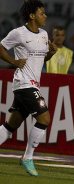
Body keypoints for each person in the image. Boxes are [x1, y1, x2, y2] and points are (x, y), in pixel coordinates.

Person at [0, 0, 57, 176]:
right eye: (42, 13)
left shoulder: (44, 34)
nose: (45, 15)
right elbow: (1, 48)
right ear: (32, 16)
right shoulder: (18, 33)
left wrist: (51, 54)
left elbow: (41, 60)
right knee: (45, 119)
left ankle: (27, 157)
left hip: (33, 83)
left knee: (11, 125)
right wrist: (14, 62)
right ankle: (27, 157)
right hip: (23, 84)